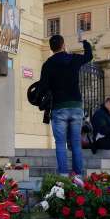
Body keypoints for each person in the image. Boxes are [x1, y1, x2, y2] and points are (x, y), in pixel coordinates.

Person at [38, 33, 93, 176]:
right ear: (63, 45)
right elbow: (89, 56)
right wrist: (84, 41)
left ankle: (63, 176)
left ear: (51, 48)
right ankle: (78, 177)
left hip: (59, 107)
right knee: (76, 143)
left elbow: (43, 87)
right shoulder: (73, 59)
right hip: (75, 106)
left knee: (61, 144)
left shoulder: (48, 64)